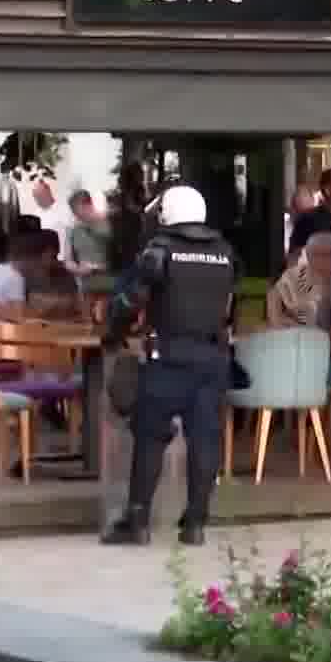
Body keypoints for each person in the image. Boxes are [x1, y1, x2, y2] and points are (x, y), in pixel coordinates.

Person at [99, 185, 240, 547]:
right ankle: (195, 524)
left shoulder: (159, 251)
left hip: (167, 357)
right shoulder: (225, 253)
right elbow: (228, 308)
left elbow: (132, 301)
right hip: (212, 359)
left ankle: (138, 520)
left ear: (166, 214)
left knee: (149, 437)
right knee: (205, 440)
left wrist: (114, 332)